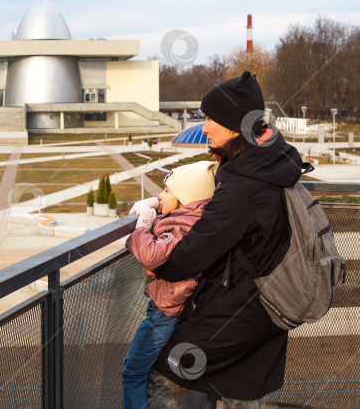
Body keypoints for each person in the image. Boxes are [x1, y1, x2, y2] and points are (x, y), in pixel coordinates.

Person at [139, 71, 303, 408]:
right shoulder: (271, 165)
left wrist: (149, 244)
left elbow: (186, 257)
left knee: (162, 376)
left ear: (233, 126)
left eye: (210, 119)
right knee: (241, 391)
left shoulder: (243, 184)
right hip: (264, 310)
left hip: (238, 314)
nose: (205, 127)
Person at [121, 161, 219, 409]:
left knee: (133, 372)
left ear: (185, 196)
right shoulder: (196, 217)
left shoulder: (180, 226)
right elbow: (175, 199)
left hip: (163, 311)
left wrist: (143, 224)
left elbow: (152, 255)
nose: (161, 196)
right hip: (176, 307)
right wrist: (156, 202)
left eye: (166, 191)